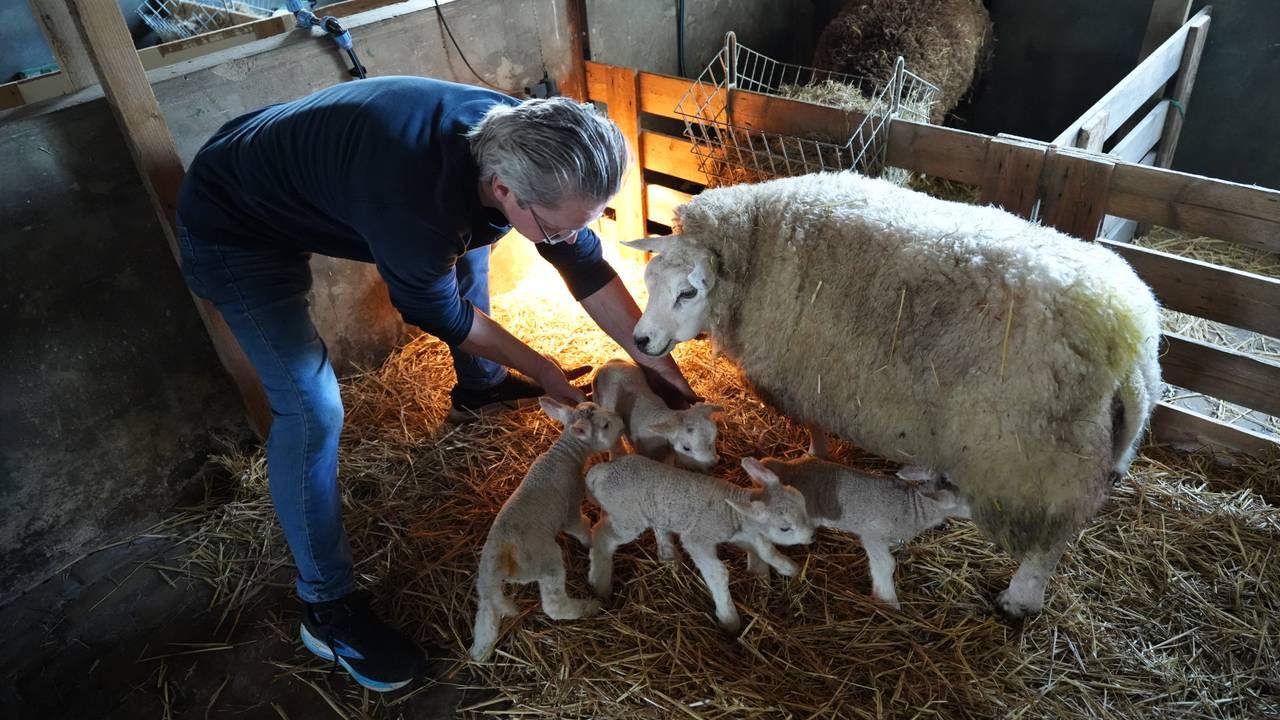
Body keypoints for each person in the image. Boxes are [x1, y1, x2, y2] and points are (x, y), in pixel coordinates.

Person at [175, 75, 696, 691]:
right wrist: (544, 370)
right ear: (504, 187)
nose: (563, 237)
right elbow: (437, 312)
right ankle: (327, 609)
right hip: (235, 221)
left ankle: (480, 386)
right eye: (555, 227)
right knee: (311, 408)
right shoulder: (417, 206)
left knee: (475, 241)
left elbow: (581, 260)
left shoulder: (528, 141)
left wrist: (663, 369)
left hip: (308, 163)